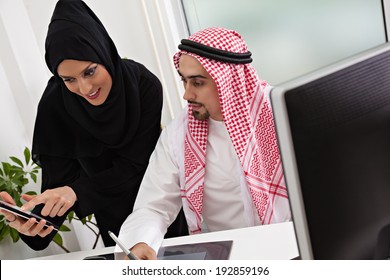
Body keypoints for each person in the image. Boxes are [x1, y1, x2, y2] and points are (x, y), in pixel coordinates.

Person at [0, 0, 187, 250]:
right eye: (68, 79)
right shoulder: (56, 104)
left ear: (103, 53)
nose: (85, 89)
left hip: (163, 214)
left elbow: (136, 165)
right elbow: (57, 189)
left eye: (89, 72)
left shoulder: (143, 86)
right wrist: (33, 225)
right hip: (115, 231)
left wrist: (76, 192)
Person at [117, 27, 291, 260]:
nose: (186, 95)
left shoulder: (282, 114)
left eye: (197, 83)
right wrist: (141, 242)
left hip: (292, 247)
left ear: (228, 81)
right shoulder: (178, 135)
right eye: (184, 81)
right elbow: (153, 206)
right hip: (229, 260)